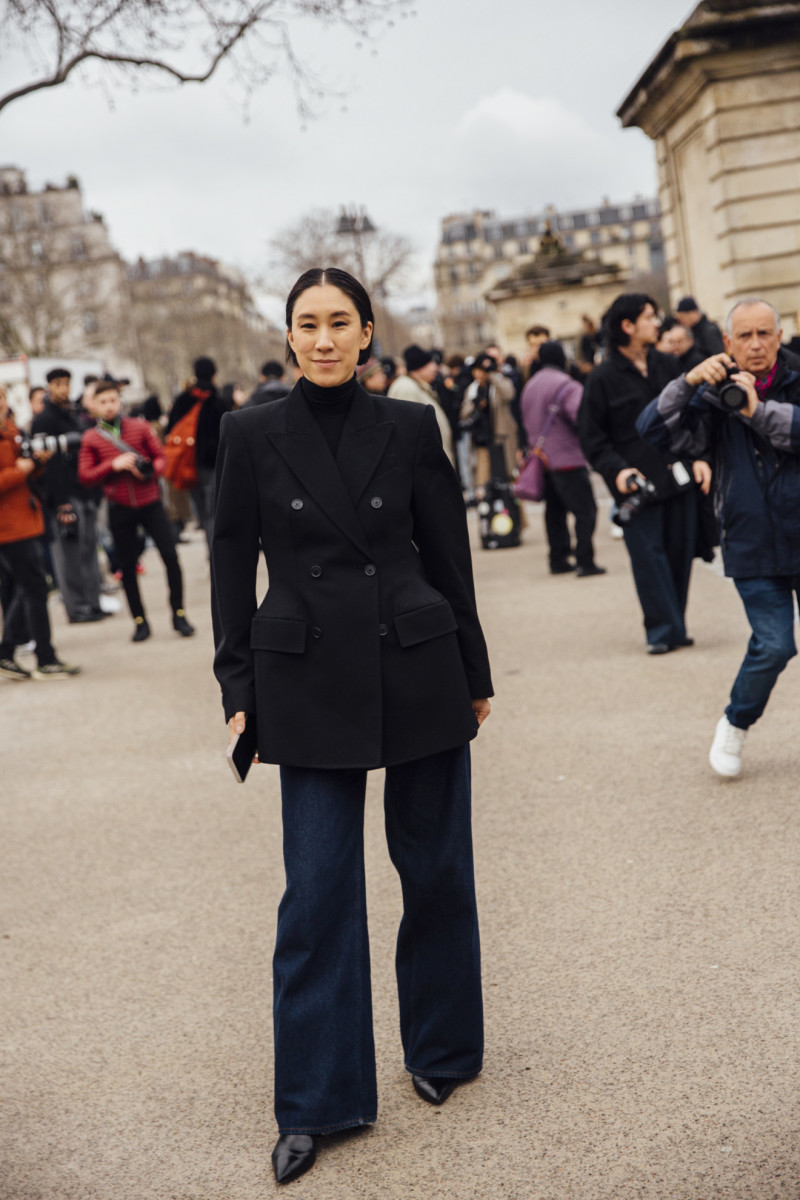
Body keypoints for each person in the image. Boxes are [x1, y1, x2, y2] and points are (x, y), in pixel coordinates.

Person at [211, 267, 493, 1186]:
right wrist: (235, 686)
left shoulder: (411, 427)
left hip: (417, 660)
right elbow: (228, 568)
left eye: (340, 323)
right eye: (308, 324)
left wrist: (476, 672)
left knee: (438, 866)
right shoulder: (249, 432)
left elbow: (448, 553)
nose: (324, 339)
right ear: (287, 336)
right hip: (303, 678)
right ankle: (317, 1103)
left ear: (368, 332)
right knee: (319, 894)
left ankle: (443, 1050)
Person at [637, 298, 800, 778]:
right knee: (774, 646)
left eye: (764, 334)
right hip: (752, 540)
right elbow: (652, 430)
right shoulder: (712, 394)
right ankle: (735, 722)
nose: (755, 344)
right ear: (726, 342)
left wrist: (755, 410)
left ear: (778, 335)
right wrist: (687, 381)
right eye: (744, 336)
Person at [579, 293, 707, 655]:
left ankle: (676, 625)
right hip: (636, 487)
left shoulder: (668, 365)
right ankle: (661, 630)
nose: (658, 321)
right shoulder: (602, 378)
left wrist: (700, 456)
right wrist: (616, 471)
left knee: (680, 553)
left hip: (677, 477)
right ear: (628, 326)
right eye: (650, 316)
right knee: (649, 561)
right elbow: (592, 438)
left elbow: (693, 416)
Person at [78, 382, 194, 643]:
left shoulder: (140, 427)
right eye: (103, 401)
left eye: (113, 400)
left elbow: (161, 457)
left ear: (120, 401)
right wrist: (112, 464)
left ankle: (179, 613)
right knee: (127, 567)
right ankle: (140, 622)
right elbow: (85, 476)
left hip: (150, 501)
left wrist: (150, 470)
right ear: (95, 406)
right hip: (119, 507)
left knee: (170, 557)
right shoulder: (91, 438)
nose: (109, 406)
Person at [0, 384, 80, 680]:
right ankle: (44, 658)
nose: (1, 404)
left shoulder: (12, 429)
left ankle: (8, 652)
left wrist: (36, 464)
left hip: (25, 519)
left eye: (2, 398)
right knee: (34, 588)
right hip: (9, 527)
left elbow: (26, 471)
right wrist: (21, 470)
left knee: (29, 588)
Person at [521, 341, 605, 577]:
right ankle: (585, 560)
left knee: (554, 512)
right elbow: (582, 418)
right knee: (585, 511)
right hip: (567, 458)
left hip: (542, 461)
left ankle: (557, 559)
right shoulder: (566, 384)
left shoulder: (530, 385)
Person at [31, 367, 106, 624]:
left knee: (88, 550)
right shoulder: (44, 420)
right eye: (58, 384)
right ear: (50, 386)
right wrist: (61, 502)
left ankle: (93, 602)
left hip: (86, 491)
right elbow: (47, 466)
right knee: (69, 555)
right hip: (64, 496)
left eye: (66, 383)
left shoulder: (74, 415)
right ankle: (77, 607)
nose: (63, 388)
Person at [166, 356, 226, 548]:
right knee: (214, 513)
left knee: (201, 511)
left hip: (187, 464)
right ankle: (215, 554)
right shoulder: (218, 400)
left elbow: (170, 431)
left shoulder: (182, 400)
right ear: (214, 375)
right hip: (212, 464)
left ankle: (210, 552)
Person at [388, 344, 454, 464]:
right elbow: (407, 435)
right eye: (431, 364)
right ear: (420, 367)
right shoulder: (406, 388)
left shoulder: (415, 386)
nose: (436, 368)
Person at [460, 352, 518, 485]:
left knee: (507, 475)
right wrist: (475, 404)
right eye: (476, 370)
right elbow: (463, 412)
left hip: (501, 436)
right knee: (484, 477)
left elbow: (509, 394)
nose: (479, 374)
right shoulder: (472, 389)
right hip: (481, 439)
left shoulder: (499, 383)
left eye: (482, 371)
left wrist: (492, 374)